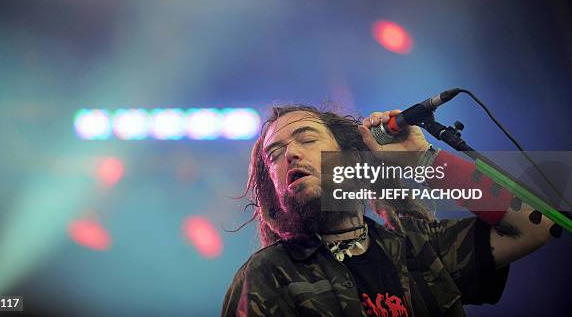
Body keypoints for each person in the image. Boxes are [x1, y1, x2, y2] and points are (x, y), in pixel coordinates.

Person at [221, 105, 554, 316]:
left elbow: (536, 226)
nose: (290, 153)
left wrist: (425, 161)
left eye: (306, 138)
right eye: (273, 154)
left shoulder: (421, 249)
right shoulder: (269, 274)